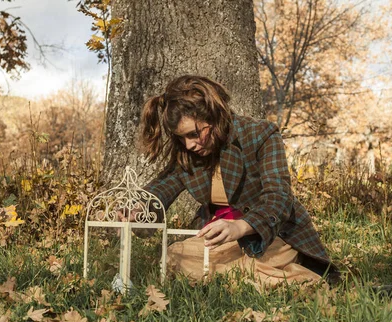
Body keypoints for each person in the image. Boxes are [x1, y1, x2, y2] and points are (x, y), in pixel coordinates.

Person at [134, 75, 338, 287]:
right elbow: (162, 188)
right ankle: (256, 277)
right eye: (182, 138)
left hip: (271, 236)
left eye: (194, 134)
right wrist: (140, 206)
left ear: (213, 116)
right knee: (174, 256)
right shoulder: (189, 155)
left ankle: (281, 276)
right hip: (221, 242)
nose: (189, 145)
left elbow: (279, 196)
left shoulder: (261, 134)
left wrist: (241, 227)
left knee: (255, 263)